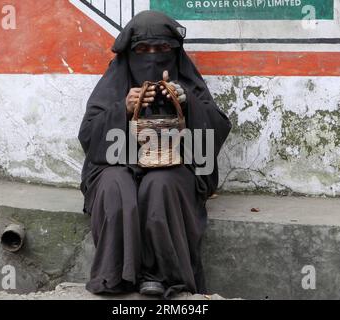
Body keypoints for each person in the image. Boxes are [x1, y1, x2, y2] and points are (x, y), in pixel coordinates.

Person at [78, 10, 232, 298]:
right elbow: (88, 136)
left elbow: (216, 130)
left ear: (173, 52)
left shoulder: (186, 80)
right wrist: (122, 108)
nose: (152, 56)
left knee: (160, 185)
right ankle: (115, 276)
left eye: (161, 49)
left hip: (174, 167)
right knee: (115, 186)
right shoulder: (115, 82)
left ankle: (162, 277)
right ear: (129, 53)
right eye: (142, 50)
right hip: (116, 163)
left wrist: (187, 103)